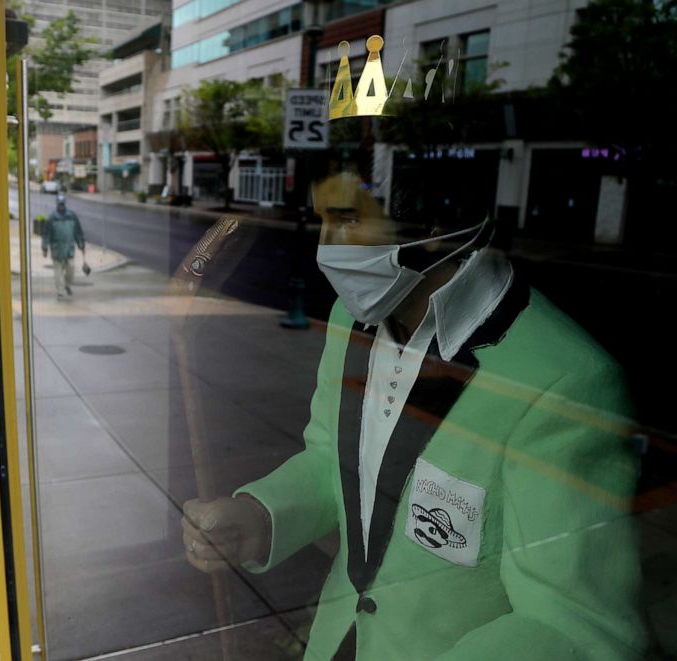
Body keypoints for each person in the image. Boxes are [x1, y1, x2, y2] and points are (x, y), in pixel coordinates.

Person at [181, 124, 645, 658]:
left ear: (437, 228)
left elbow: (574, 624)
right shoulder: (352, 318)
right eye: (325, 221)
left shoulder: (566, 381)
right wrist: (261, 515)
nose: (328, 247)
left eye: (349, 221)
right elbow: (333, 458)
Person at [42, 193, 85, 300]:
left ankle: (67, 285)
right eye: (59, 204)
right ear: (57, 204)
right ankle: (60, 291)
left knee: (71, 270)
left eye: (62, 204)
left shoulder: (72, 216)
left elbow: (78, 232)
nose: (61, 206)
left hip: (69, 249)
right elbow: (46, 234)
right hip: (57, 249)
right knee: (58, 272)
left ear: (65, 204)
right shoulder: (52, 218)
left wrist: (81, 244)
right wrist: (45, 247)